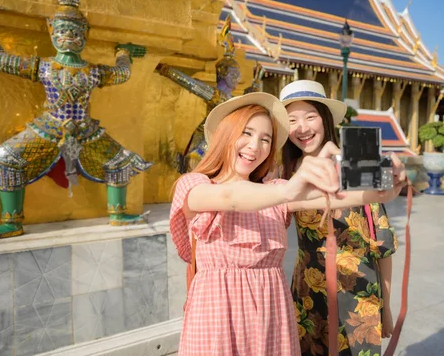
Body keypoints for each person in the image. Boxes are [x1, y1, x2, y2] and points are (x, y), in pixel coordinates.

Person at [169, 91, 406, 355]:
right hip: (218, 321)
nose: (255, 146)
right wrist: (290, 190)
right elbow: (230, 197)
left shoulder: (277, 188)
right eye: (245, 133)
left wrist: (387, 185)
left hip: (273, 319)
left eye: (265, 139)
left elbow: (336, 196)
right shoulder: (195, 184)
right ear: (225, 134)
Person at [280, 80, 401, 356]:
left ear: (324, 119)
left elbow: (383, 248)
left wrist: (387, 308)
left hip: (360, 297)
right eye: (292, 120)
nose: (302, 128)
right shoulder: (285, 173)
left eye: (310, 117)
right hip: (308, 296)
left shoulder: (355, 162)